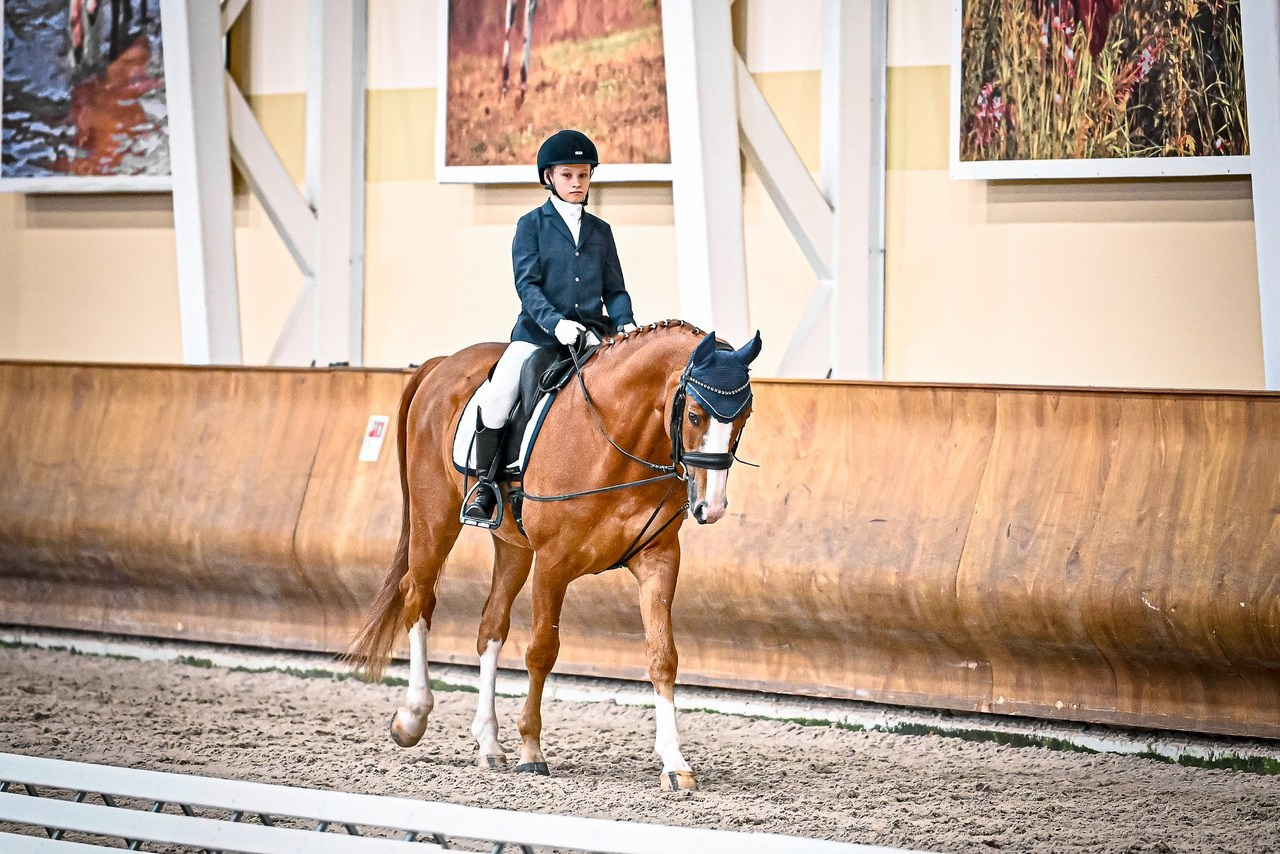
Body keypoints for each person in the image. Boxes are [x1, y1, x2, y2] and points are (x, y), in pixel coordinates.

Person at [463, 129, 639, 525]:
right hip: (538, 334)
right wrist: (555, 323)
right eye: (567, 176)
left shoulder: (601, 231)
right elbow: (527, 285)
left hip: (592, 334)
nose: (577, 183)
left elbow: (615, 288)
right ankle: (486, 485)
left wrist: (626, 323)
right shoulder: (531, 225)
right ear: (549, 178)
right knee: (497, 396)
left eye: (583, 175)